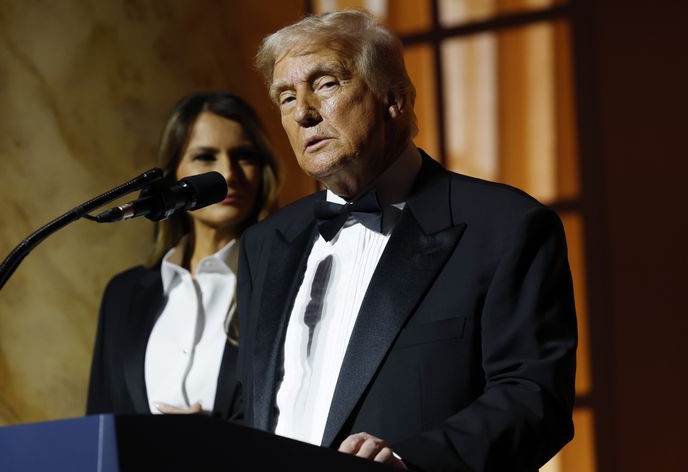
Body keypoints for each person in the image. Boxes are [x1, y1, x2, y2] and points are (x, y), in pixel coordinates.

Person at [234, 10, 577, 470]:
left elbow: (534, 399)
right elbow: (251, 414)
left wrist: (407, 461)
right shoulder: (265, 245)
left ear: (393, 98)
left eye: (326, 83)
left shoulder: (505, 226)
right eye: (286, 97)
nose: (303, 112)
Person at [87, 92, 279, 420]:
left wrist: (208, 440)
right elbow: (100, 427)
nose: (228, 174)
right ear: (174, 174)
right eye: (205, 157)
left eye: (244, 156)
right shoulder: (124, 295)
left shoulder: (282, 285)